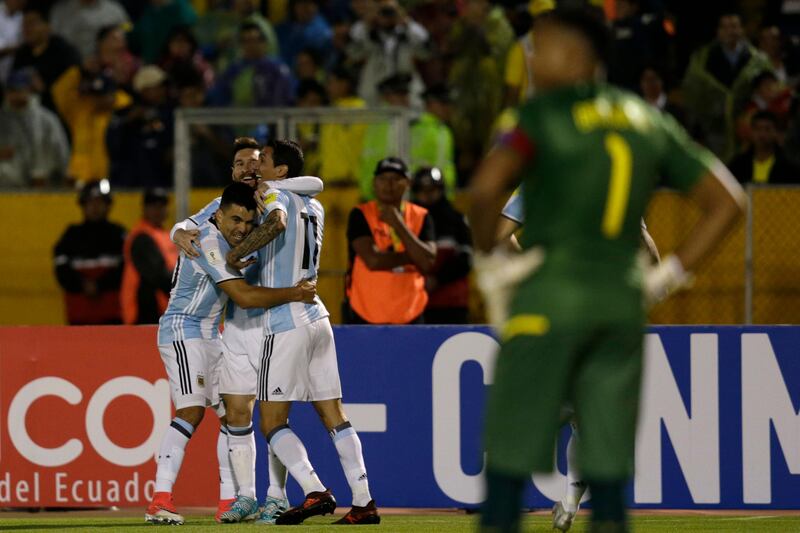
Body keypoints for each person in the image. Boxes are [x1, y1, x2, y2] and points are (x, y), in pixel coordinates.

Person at [467, 9, 746, 533]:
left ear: (575, 55)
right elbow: (729, 202)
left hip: (549, 300)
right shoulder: (646, 118)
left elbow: (483, 193)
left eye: (542, 47)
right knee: (608, 468)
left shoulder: (541, 118)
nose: (532, 57)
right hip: (618, 311)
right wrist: (668, 276)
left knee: (507, 457)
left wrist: (489, 260)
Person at [222, 139, 380, 525]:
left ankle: (315, 491)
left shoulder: (276, 195)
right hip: (317, 316)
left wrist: (236, 254)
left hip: (285, 319)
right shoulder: (316, 205)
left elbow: (276, 221)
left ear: (282, 171)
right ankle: (363, 501)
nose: (259, 168)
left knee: (272, 421)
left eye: (267, 162)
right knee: (334, 415)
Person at [168, 137, 324, 521]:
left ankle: (276, 494)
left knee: (272, 418)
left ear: (268, 167)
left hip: (273, 319)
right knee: (237, 413)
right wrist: (177, 230)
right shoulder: (228, 203)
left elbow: (315, 183)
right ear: (233, 171)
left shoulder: (278, 195)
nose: (248, 169)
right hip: (237, 321)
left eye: (256, 162)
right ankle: (246, 496)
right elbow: (187, 225)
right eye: (239, 164)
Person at [345, 157, 436, 324]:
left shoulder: (421, 215)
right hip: (365, 313)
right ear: (374, 183)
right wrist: (413, 256)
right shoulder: (360, 214)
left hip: (411, 312)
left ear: (407, 183)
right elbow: (372, 260)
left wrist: (398, 224)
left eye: (396, 179)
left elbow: (428, 264)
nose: (389, 185)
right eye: (383, 179)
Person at [682, 12, 771, 160]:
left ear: (742, 30)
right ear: (718, 31)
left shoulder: (758, 61)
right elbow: (693, 96)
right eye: (725, 27)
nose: (731, 31)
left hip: (748, 134)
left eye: (735, 26)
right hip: (713, 132)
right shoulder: (702, 60)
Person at [53, 180, 126, 325]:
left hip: (112, 317)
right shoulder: (70, 236)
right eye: (91, 202)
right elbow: (61, 271)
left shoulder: (119, 235)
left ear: (108, 205)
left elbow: (126, 270)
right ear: (83, 205)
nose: (95, 207)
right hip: (79, 318)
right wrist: (83, 284)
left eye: (100, 202)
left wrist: (99, 285)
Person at [411, 167, 471, 324]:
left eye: (432, 189)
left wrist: (437, 279)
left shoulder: (456, 220)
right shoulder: (406, 222)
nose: (427, 195)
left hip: (451, 303)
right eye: (422, 190)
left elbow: (466, 259)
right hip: (414, 303)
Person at [51, 67, 131, 184]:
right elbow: (59, 92)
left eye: (103, 95)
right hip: (80, 178)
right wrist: (78, 71)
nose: (98, 100)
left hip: (112, 177)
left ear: (114, 94)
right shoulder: (80, 113)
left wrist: (116, 101)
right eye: (95, 95)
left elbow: (126, 102)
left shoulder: (123, 114)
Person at [0, 68, 70, 187]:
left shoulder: (46, 119)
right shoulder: (2, 118)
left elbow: (61, 151)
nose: (16, 95)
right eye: (12, 90)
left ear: (29, 90)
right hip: (7, 187)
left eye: (20, 90)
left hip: (46, 184)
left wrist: (64, 175)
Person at [120, 189, 178, 325]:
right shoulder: (141, 237)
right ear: (144, 209)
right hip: (145, 313)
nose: (158, 210)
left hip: (163, 311)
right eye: (153, 206)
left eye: (161, 206)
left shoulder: (165, 234)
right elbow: (159, 275)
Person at [12, 2, 81, 113]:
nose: (27, 29)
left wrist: (44, 88)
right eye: (24, 24)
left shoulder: (64, 52)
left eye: (32, 23)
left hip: (60, 113)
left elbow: (73, 89)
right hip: (26, 112)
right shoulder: (22, 53)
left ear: (48, 26)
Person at [729, 110, 800, 185]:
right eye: (758, 129)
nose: (762, 134)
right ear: (751, 132)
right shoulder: (738, 164)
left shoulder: (788, 168)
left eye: (767, 129)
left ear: (776, 132)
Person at [49, 0, 130, 61]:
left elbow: (128, 33)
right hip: (74, 68)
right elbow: (55, 47)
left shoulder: (114, 9)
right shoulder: (60, 13)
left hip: (115, 65)